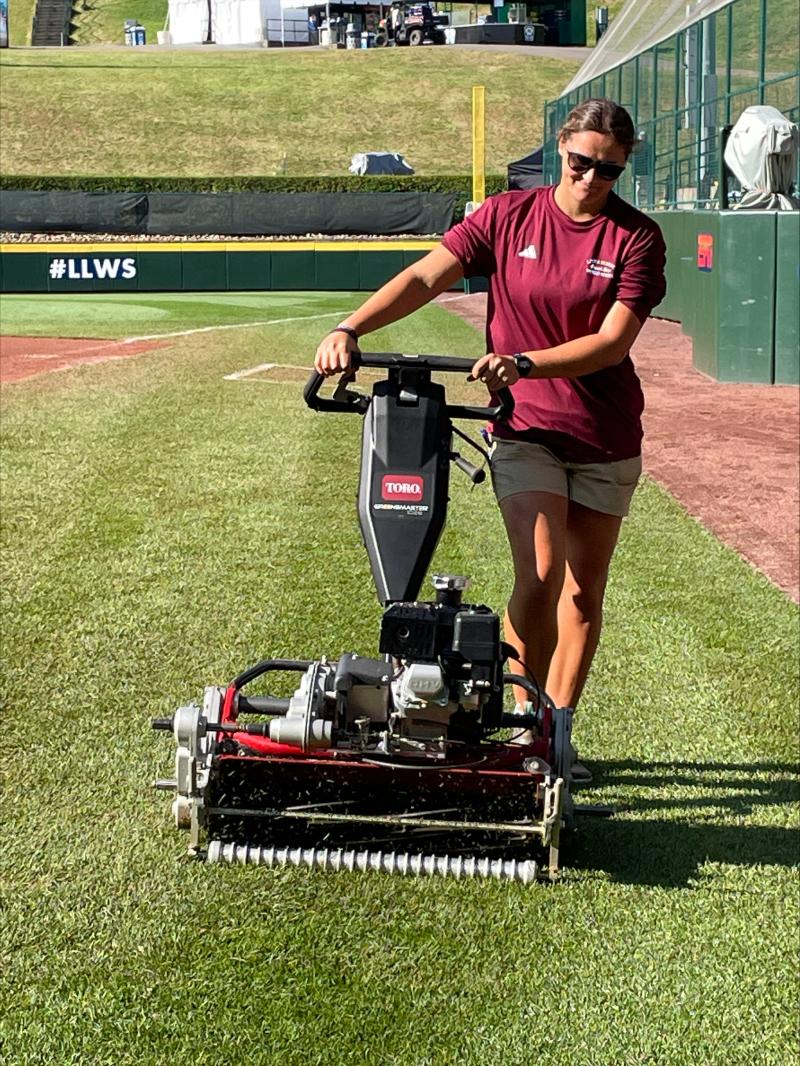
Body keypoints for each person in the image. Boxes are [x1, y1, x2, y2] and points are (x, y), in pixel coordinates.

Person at [314, 98, 666, 756]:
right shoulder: (508, 218)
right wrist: (349, 328)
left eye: (608, 170)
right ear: (560, 152)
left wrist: (524, 361)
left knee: (584, 594)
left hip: (604, 434)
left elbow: (613, 343)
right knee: (539, 574)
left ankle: (552, 737)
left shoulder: (635, 238)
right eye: (580, 162)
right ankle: (518, 717)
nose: (591, 178)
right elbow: (425, 275)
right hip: (525, 425)